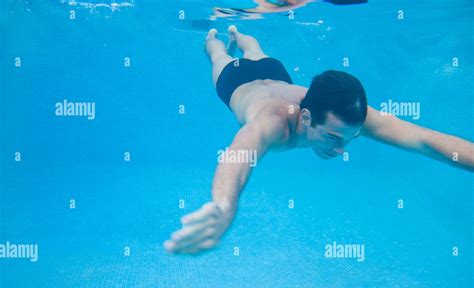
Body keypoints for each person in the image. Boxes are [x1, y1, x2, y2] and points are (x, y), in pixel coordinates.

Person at [163, 25, 474, 254]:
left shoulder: (345, 115)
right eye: (334, 138)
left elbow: (424, 139)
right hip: (234, 80)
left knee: (256, 50)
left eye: (351, 139)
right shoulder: (273, 123)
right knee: (217, 56)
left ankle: (240, 33)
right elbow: (238, 155)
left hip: (275, 73)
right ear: (306, 117)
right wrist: (225, 205)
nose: (341, 149)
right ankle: (217, 36)